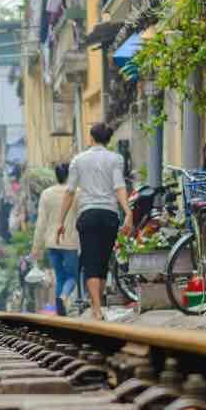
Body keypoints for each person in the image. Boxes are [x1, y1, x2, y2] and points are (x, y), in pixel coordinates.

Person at [57, 123, 131, 320]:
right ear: (107, 139)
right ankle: (99, 307)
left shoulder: (78, 160)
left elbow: (70, 191)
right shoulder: (116, 159)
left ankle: (97, 309)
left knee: (90, 261)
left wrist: (60, 221)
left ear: (91, 138)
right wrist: (128, 213)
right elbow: (119, 187)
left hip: (88, 215)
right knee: (102, 261)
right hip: (109, 216)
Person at [32, 161, 81, 315]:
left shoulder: (46, 194)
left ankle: (61, 312)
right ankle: (64, 296)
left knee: (60, 276)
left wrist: (36, 246)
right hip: (71, 241)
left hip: (52, 242)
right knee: (73, 276)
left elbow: (41, 222)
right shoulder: (77, 192)